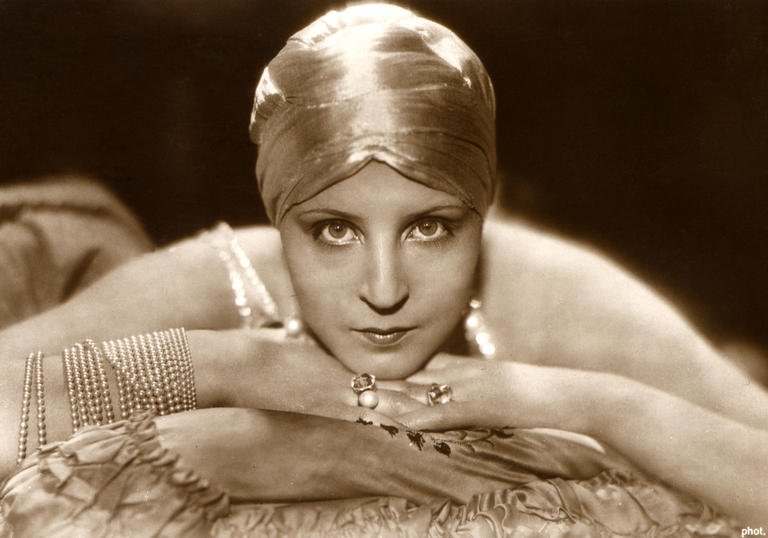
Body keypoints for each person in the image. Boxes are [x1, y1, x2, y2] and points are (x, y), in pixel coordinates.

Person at [0, 3, 765, 535]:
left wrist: (590, 402)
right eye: (332, 230)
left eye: (430, 227)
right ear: (277, 219)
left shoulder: (547, 290)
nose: (385, 288)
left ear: (483, 216)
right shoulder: (225, 279)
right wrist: (224, 366)